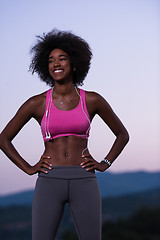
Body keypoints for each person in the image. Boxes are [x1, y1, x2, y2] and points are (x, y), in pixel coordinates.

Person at [0, 29, 129, 240]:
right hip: (49, 179)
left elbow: (122, 134)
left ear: (75, 63)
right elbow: (3, 139)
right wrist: (28, 168)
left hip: (84, 178)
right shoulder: (37, 103)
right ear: (46, 66)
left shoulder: (93, 100)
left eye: (62, 59)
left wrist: (105, 162)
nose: (56, 64)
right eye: (51, 60)